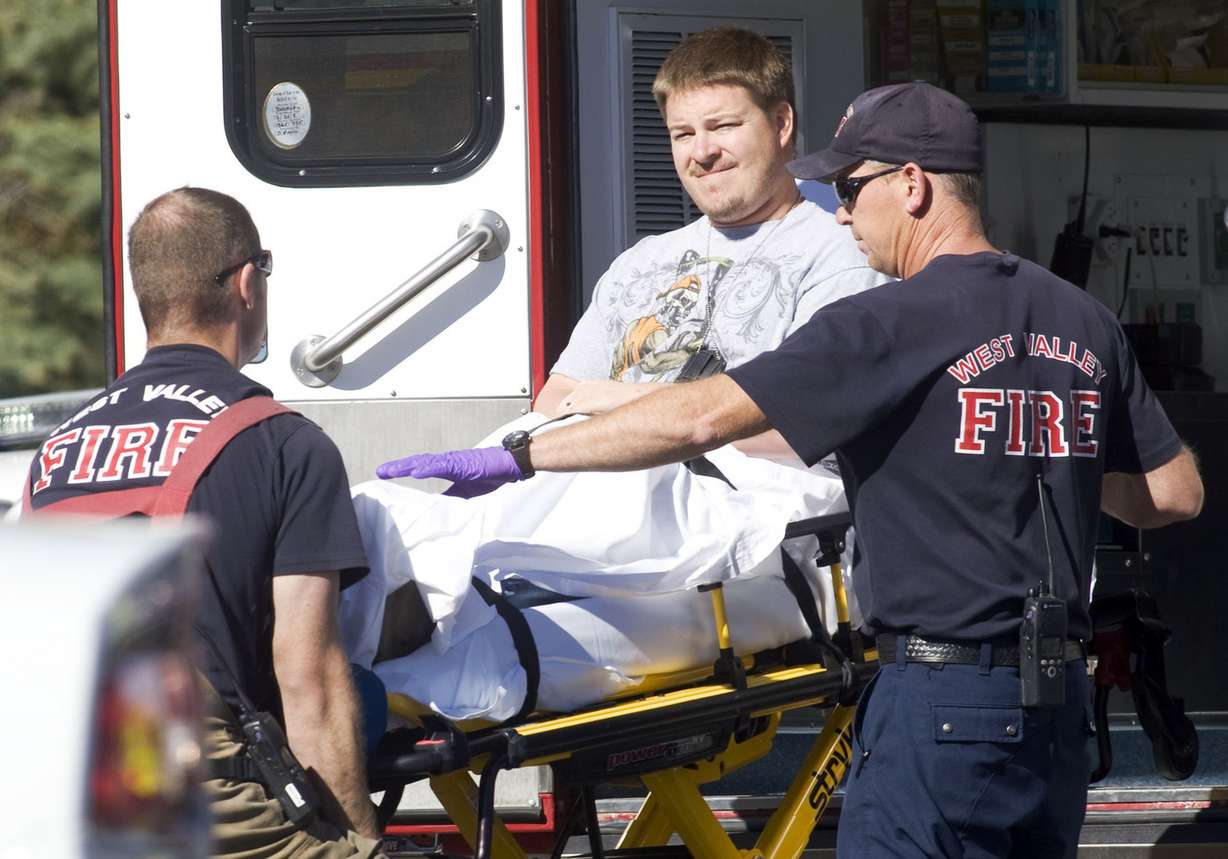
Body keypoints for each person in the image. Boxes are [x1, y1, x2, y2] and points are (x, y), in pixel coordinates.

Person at [377, 82, 1204, 858]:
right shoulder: (1080, 318)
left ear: (912, 185)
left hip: (941, 705)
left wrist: (519, 455)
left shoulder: (885, 323)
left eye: (849, 188)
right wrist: (1041, 453)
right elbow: (1172, 493)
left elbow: (700, 418)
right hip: (1057, 711)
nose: (839, 213)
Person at [24, 188, 386, 858]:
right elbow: (309, 681)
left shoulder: (56, 452)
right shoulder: (285, 444)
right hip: (184, 790)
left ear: (147, 297)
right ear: (247, 284)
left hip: (50, 793)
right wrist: (362, 842)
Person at [533, 25, 887, 459]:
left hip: (744, 498)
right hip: (604, 483)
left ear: (781, 124)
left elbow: (808, 427)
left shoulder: (842, 250)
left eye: (723, 126)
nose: (701, 153)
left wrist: (626, 407)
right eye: (683, 134)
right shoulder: (638, 262)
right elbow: (556, 400)